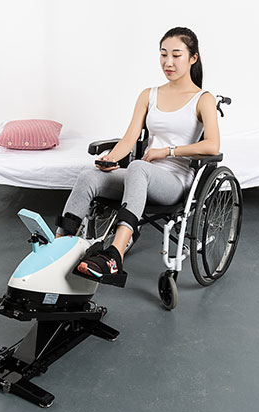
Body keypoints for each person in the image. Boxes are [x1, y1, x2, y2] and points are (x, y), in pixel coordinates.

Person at [55, 27, 220, 280]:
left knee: (138, 167)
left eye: (176, 55)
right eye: (163, 54)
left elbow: (212, 146)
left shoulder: (202, 99)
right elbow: (129, 139)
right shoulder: (149, 95)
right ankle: (58, 247)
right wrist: (111, 158)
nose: (168, 62)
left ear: (193, 58)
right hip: (140, 176)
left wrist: (168, 151)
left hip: (174, 182)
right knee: (89, 176)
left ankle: (114, 256)